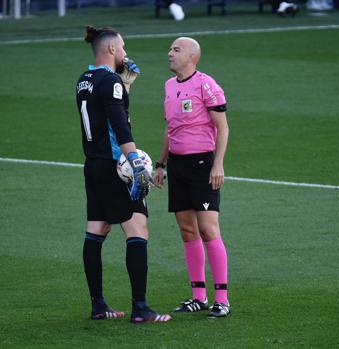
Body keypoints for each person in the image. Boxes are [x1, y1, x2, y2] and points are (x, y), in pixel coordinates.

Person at [75, 25, 171, 324]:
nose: (126, 53)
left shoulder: (84, 80)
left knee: (97, 229)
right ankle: (140, 308)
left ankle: (98, 305)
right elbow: (119, 124)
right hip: (117, 166)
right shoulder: (110, 81)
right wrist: (136, 162)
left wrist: (125, 87)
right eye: (123, 47)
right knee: (138, 229)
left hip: (93, 165)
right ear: (112, 49)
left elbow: (104, 113)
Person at [153, 37, 230, 318]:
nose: (170, 53)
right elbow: (170, 129)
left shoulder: (206, 84)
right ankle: (198, 296)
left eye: (176, 49)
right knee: (187, 231)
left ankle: (222, 298)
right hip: (178, 167)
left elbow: (222, 128)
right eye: (170, 49)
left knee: (209, 228)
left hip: (202, 165)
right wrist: (160, 164)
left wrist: (217, 164)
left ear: (192, 57)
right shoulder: (169, 86)